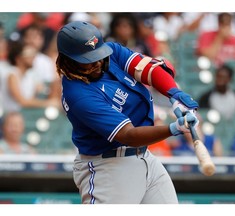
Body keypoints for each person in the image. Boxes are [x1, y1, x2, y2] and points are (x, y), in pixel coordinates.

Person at [56, 21, 199, 204]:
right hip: (108, 169)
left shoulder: (110, 52)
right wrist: (173, 128)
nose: (97, 62)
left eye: (98, 54)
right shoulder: (78, 94)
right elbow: (128, 135)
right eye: (88, 59)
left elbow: (149, 68)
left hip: (145, 158)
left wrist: (175, 94)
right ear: (69, 60)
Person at [2, 40, 60, 113]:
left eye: (33, 54)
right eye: (28, 55)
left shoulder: (30, 75)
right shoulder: (12, 74)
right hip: (11, 115)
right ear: (18, 59)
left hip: (25, 114)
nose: (33, 58)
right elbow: (22, 101)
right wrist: (48, 103)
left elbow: (39, 92)